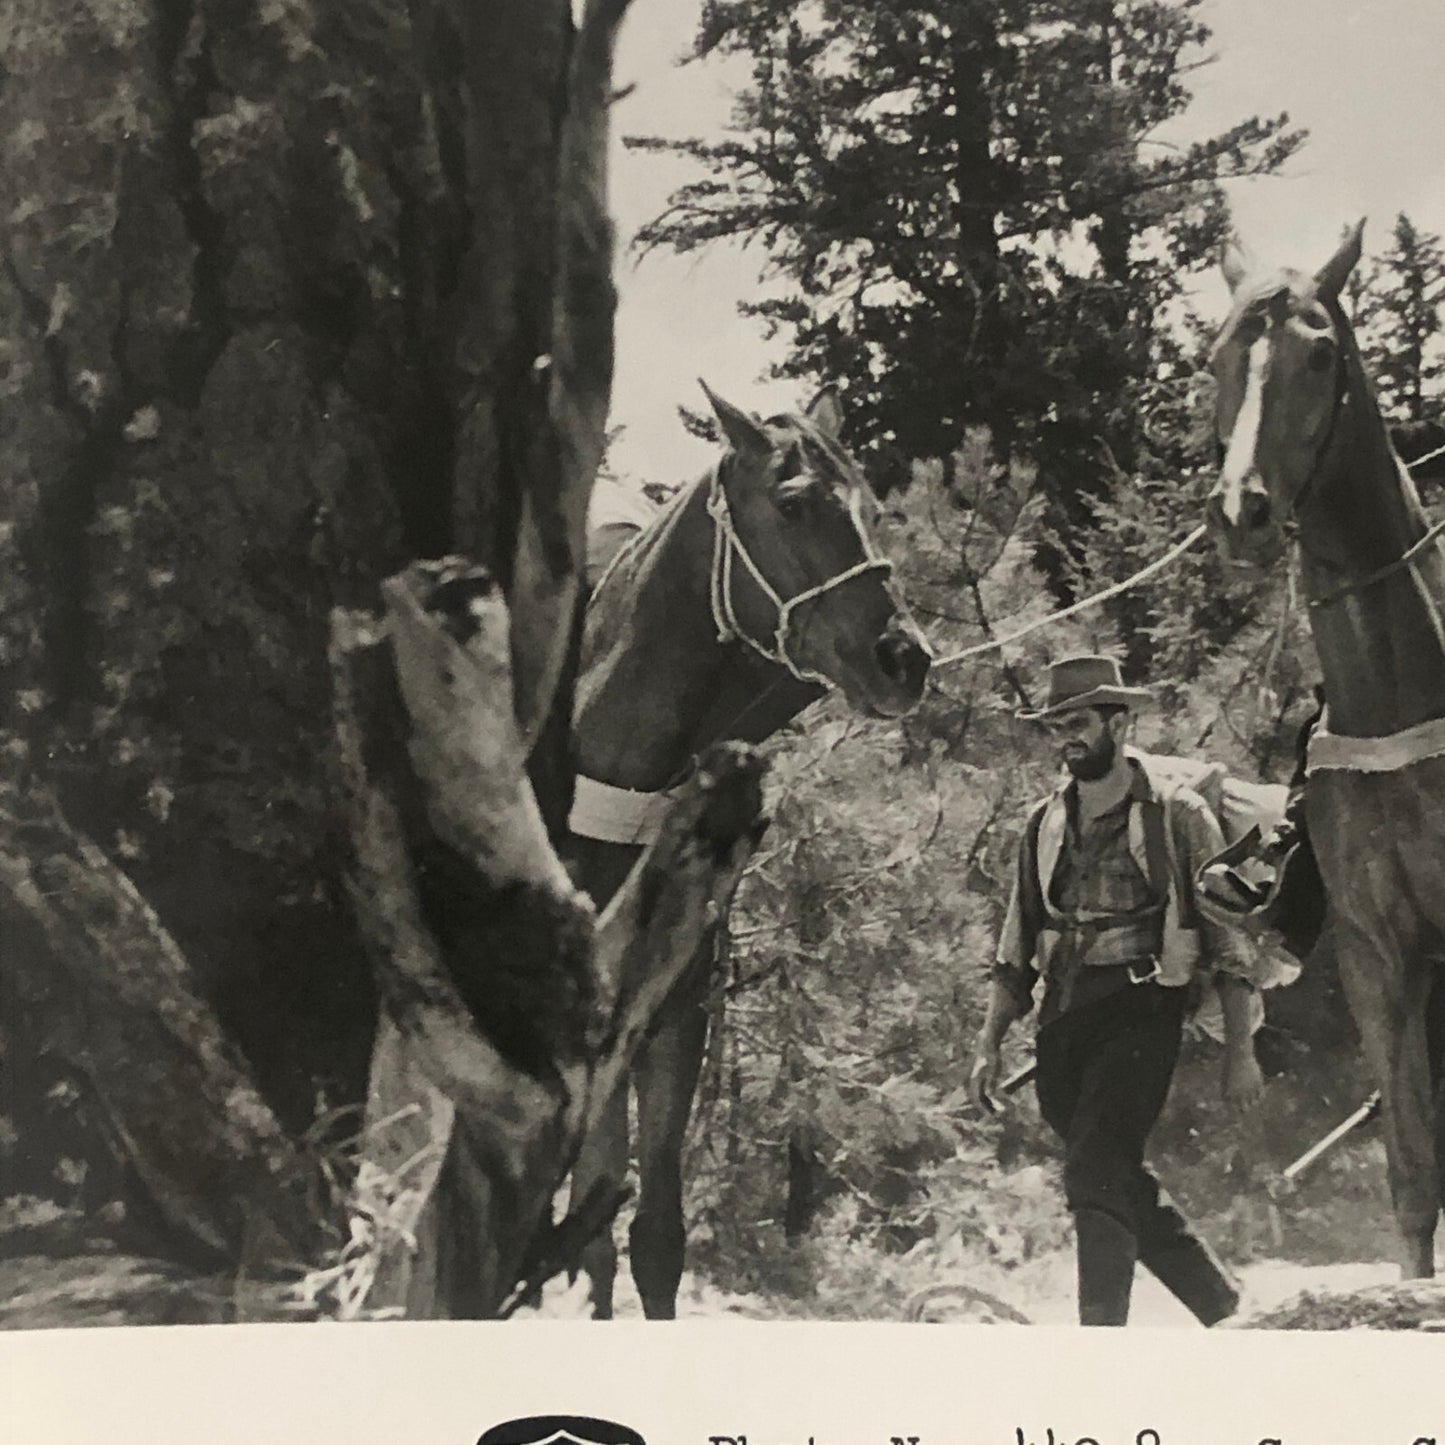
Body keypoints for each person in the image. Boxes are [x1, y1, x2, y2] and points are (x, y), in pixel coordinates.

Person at [968, 654, 1265, 1327]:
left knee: (1095, 1167)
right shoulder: (1043, 821)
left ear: (1119, 724)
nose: (1065, 738)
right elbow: (1016, 943)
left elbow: (1227, 942)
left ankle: (1099, 1341)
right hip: (1062, 1018)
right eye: (1056, 726)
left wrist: (1239, 1051)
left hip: (1142, 1009)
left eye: (1077, 723)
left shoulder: (1178, 815)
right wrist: (988, 1041)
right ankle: (1223, 1311)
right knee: (1112, 1173)